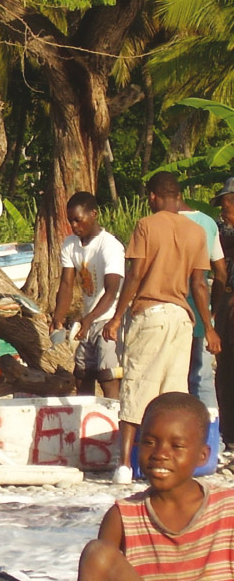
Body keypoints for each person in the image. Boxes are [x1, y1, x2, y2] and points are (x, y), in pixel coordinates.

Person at [103, 172, 221, 485]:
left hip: (151, 313)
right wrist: (209, 328)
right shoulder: (196, 232)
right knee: (173, 394)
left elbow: (136, 274)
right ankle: (176, 467)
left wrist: (117, 317)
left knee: (137, 387)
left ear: (153, 196)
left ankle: (124, 465)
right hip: (183, 319)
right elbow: (199, 284)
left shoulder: (146, 225)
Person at [78, 392, 234, 580]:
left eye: (176, 446)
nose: (160, 454)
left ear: (202, 455)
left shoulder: (228, 509)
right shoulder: (123, 518)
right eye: (149, 442)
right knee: (98, 554)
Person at [51, 192, 125, 399]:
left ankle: (113, 420)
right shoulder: (70, 244)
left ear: (93, 214)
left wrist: (88, 319)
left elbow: (112, 291)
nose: (74, 226)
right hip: (88, 318)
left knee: (107, 374)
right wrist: (58, 317)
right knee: (82, 373)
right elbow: (66, 284)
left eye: (78, 220)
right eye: (71, 221)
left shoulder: (110, 246)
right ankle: (85, 418)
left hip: (109, 317)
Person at [178, 196, 227, 410]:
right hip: (201, 314)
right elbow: (221, 273)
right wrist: (212, 313)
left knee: (175, 379)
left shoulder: (160, 222)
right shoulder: (208, 223)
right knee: (203, 378)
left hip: (172, 313)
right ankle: (212, 438)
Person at [212, 176, 234, 446]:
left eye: (225, 206)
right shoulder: (220, 230)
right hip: (226, 308)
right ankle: (229, 434)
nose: (223, 212)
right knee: (225, 371)